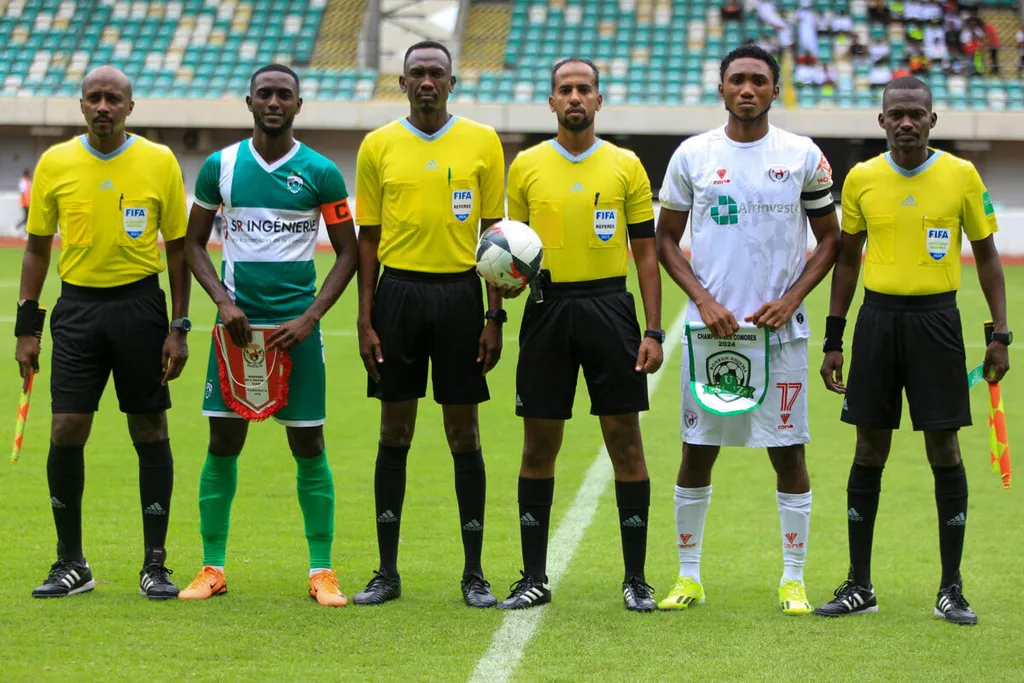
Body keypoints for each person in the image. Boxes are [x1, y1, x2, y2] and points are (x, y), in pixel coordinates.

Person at [815, 77, 1009, 626]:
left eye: (915, 114)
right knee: (868, 449)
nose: (906, 122)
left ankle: (951, 587)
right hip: (876, 322)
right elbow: (847, 260)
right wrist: (835, 337)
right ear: (881, 122)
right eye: (896, 114)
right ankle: (859, 583)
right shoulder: (861, 178)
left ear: (932, 120)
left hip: (938, 323)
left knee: (943, 449)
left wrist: (1000, 333)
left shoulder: (961, 176)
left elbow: (989, 257)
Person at [655, 45, 840, 614]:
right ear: (721, 88)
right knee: (696, 451)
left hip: (780, 338)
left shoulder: (802, 155)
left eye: (758, 80)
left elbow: (830, 238)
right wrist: (703, 299)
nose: (747, 89)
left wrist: (791, 298)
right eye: (737, 80)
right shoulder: (692, 156)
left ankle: (793, 579)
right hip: (711, 336)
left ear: (774, 89)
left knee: (788, 454)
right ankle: (688, 577)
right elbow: (665, 238)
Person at [178, 64, 358, 607]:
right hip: (234, 333)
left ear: (299, 105)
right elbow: (192, 245)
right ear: (249, 101)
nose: (274, 102)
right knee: (222, 443)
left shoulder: (322, 172)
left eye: (285, 95)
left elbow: (349, 251)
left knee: (309, 443)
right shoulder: (221, 166)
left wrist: (311, 318)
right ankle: (212, 568)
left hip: (295, 335)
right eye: (265, 94)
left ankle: (322, 571)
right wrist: (223, 302)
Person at [15, 66, 190, 599]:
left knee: (149, 431)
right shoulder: (56, 162)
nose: (103, 107)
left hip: (140, 307)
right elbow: (38, 246)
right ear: (81, 105)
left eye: (113, 98)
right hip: (77, 311)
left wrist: (178, 326)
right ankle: (72, 562)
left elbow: (179, 249)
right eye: (94, 98)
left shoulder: (159, 162)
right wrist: (27, 326)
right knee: (66, 429)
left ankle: (154, 564)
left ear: (130, 108)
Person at [495, 57, 664, 612]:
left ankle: (636, 578)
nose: (574, 97)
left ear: (598, 99)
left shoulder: (626, 165)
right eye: (564, 89)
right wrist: (496, 312)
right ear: (550, 101)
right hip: (545, 309)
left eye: (583, 89)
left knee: (625, 441)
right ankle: (534, 577)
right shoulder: (525, 166)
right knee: (539, 443)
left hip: (610, 308)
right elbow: (503, 248)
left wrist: (653, 329)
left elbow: (646, 252)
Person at [353, 40, 506, 608]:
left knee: (463, 433)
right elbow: (368, 239)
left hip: (462, 296)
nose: (425, 81)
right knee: (395, 432)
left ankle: (474, 574)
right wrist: (366, 317)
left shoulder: (483, 141)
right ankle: (386, 572)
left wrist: (493, 315)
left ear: (452, 82)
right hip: (398, 295)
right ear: (401, 83)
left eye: (435, 73)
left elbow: (495, 236)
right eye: (416, 73)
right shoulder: (378, 145)